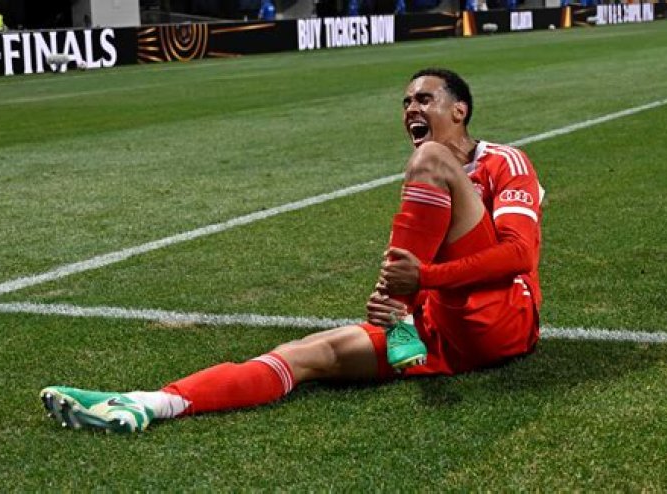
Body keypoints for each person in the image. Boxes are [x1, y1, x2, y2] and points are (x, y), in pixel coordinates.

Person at [40, 68, 544, 433]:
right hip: (439, 331)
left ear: (460, 110)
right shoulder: (426, 175)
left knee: (432, 157)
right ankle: (147, 404)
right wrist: (413, 291)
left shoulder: (503, 162)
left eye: (425, 99)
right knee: (306, 353)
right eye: (406, 102)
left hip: (500, 321)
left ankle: (399, 318)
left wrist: (419, 283)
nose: (411, 108)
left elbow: (520, 255)